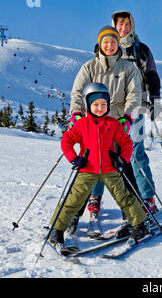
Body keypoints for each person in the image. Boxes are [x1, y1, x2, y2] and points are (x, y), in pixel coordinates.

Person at [49, 82, 147, 252]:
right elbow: (66, 142)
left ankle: (140, 225)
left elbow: (126, 143)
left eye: (103, 104)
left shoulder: (113, 124)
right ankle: (56, 231)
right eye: (95, 104)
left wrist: (122, 159)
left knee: (125, 198)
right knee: (73, 201)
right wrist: (74, 158)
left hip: (110, 170)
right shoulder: (81, 124)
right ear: (88, 105)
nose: (100, 108)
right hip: (87, 169)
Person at [66, 25, 144, 234]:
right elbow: (77, 92)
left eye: (113, 41)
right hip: (91, 126)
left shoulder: (128, 68)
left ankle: (132, 214)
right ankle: (74, 212)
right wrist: (76, 114)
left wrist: (128, 117)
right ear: (99, 44)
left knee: (123, 169)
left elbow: (134, 95)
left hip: (117, 124)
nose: (109, 46)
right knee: (86, 171)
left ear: (119, 44)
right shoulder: (89, 67)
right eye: (106, 42)